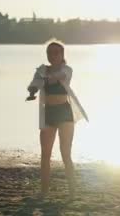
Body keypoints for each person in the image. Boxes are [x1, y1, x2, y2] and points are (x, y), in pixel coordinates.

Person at [26, 40, 88, 197]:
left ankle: (73, 190)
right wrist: (32, 90)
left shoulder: (66, 69)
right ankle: (44, 191)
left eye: (56, 53)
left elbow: (56, 78)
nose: (52, 55)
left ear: (62, 55)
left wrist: (41, 81)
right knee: (45, 154)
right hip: (48, 113)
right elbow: (34, 83)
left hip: (64, 113)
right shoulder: (41, 70)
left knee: (65, 152)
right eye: (49, 52)